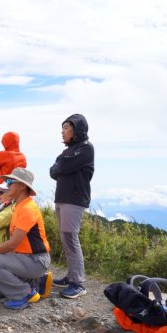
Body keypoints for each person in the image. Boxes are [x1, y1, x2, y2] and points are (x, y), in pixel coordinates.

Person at [0, 168, 52, 310]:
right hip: (25, 258)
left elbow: (14, 243)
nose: (7, 185)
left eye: (10, 181)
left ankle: (25, 294)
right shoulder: (19, 206)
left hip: (36, 260)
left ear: (22, 186)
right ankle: (37, 281)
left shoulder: (27, 208)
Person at [49, 114, 94, 299]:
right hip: (63, 198)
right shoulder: (69, 150)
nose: (62, 131)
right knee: (66, 238)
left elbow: (61, 167)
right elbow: (53, 170)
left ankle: (79, 283)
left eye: (66, 127)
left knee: (70, 238)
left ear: (77, 129)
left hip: (74, 200)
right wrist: (60, 165)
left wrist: (60, 165)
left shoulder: (85, 148)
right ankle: (71, 276)